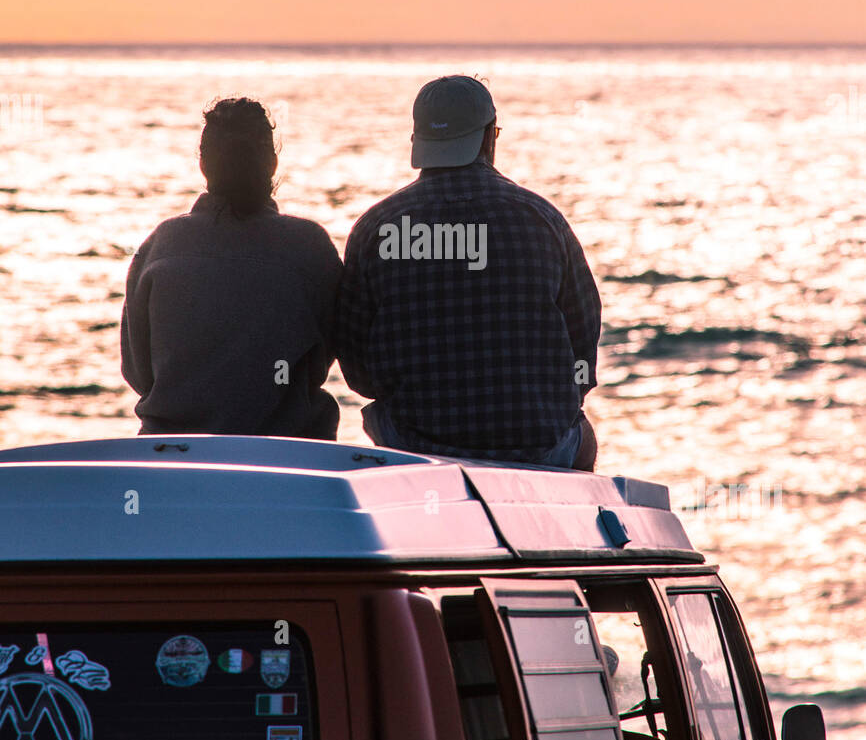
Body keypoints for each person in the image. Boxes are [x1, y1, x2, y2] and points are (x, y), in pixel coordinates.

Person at [335, 75, 601, 468]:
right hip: (537, 448)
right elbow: (583, 343)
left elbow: (357, 371)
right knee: (584, 439)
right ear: (490, 137)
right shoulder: (543, 220)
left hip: (415, 446)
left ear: (417, 141)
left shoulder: (376, 227)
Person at [121, 97, 341, 438]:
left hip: (171, 451)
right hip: (291, 452)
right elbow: (323, 358)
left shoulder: (162, 244)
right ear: (271, 162)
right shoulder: (309, 246)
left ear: (203, 165)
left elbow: (139, 373)